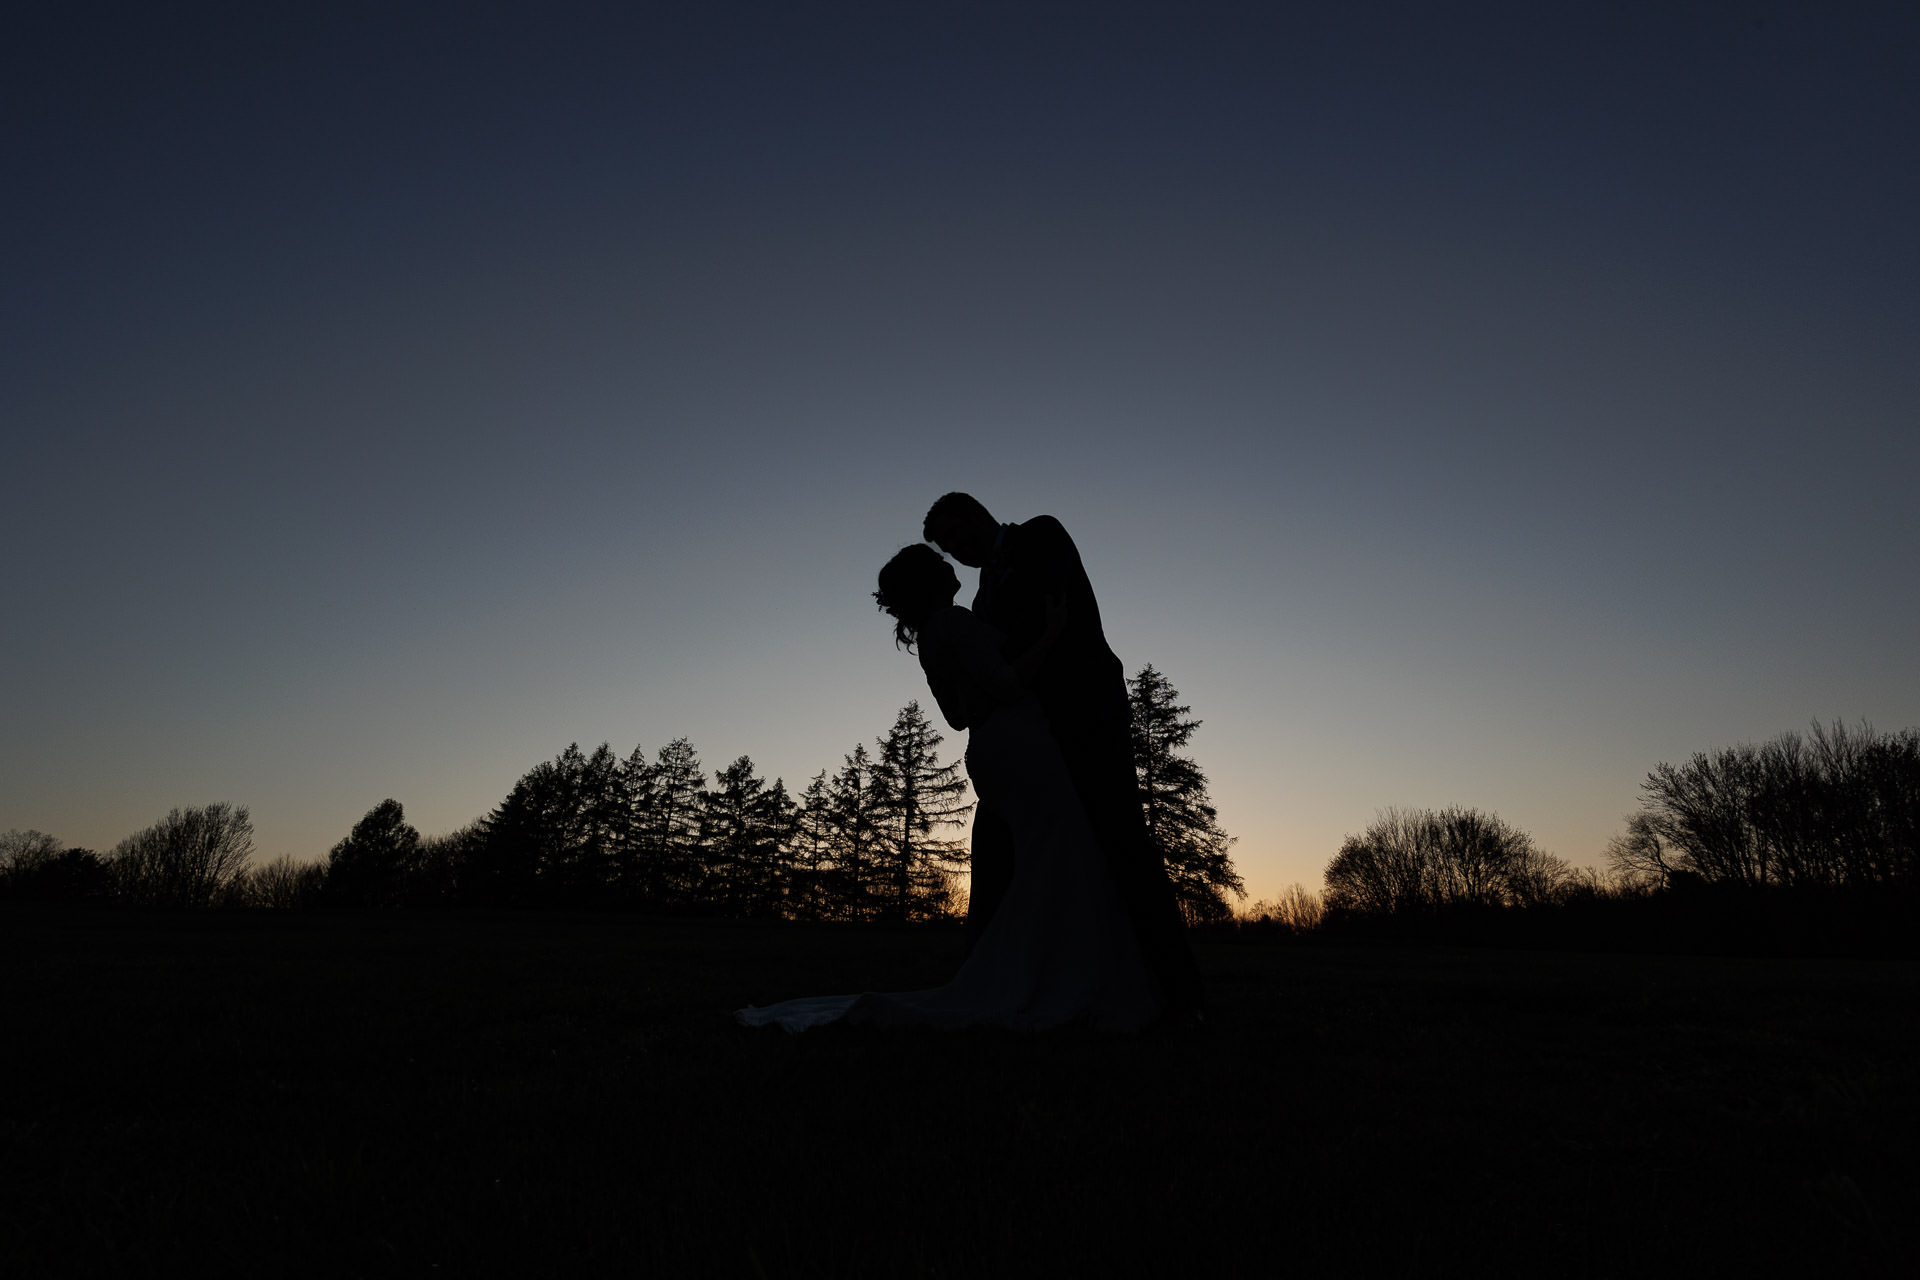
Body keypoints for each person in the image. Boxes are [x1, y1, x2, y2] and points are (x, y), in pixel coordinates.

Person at [735, 544, 1159, 1033]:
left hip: (993, 753)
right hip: (1021, 748)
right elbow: (1006, 683)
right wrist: (1052, 634)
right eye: (938, 564)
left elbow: (958, 716)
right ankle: (1061, 979)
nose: (949, 564)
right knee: (1061, 856)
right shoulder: (954, 623)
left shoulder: (932, 637)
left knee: (1045, 863)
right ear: (929, 581)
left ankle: (1041, 974)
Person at [921, 493, 1204, 1021]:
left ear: (979, 514)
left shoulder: (1040, 535)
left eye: (961, 537)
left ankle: (1176, 993)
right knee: (1017, 857)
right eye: (951, 549)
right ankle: (1004, 979)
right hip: (1026, 739)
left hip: (1085, 717)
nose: (961, 552)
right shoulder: (978, 598)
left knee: (1121, 843)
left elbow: (1042, 616)